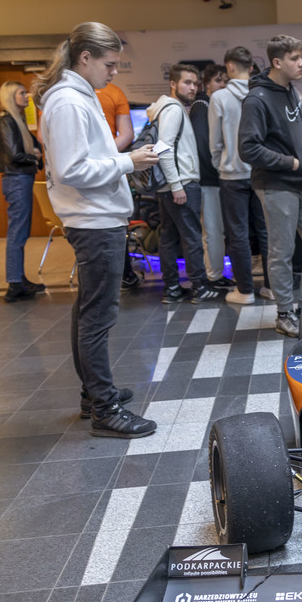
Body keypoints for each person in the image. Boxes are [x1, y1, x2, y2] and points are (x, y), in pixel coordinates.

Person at [34, 22, 158, 437]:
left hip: (96, 217)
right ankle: (104, 409)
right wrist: (129, 162)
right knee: (97, 317)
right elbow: (73, 170)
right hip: (93, 220)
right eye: (110, 64)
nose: (115, 72)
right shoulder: (69, 101)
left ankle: (95, 394)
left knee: (89, 311)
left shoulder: (77, 96)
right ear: (84, 58)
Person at [239, 34, 302, 338]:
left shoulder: (291, 90)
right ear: (277, 62)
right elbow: (248, 149)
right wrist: (290, 163)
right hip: (277, 184)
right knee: (282, 251)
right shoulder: (257, 99)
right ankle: (284, 313)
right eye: (295, 58)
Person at [150, 63, 220, 304]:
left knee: (169, 237)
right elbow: (164, 149)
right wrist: (177, 185)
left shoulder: (166, 108)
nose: (193, 88)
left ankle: (171, 289)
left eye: (195, 83)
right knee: (191, 237)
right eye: (187, 83)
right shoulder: (173, 109)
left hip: (171, 184)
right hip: (181, 183)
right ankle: (199, 287)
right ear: (173, 84)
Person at [209, 45, 272, 305]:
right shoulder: (263, 93)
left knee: (237, 234)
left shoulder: (219, 97)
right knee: (267, 231)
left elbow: (215, 142)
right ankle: (272, 287)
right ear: (252, 67)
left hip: (232, 175)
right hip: (262, 172)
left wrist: (222, 164)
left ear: (230, 66)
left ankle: (245, 291)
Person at [0, 81, 45, 301]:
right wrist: (33, 157)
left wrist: (36, 156)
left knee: (21, 232)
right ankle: (15, 283)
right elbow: (14, 154)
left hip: (22, 179)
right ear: (10, 97)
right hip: (17, 179)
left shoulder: (17, 120)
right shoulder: (6, 121)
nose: (26, 96)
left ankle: (18, 279)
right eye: (21, 93)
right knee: (17, 233)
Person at [190, 64, 233, 291]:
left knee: (216, 231)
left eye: (225, 81)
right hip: (208, 179)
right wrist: (218, 171)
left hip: (213, 178)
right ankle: (213, 276)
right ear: (206, 84)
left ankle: (215, 274)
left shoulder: (211, 105)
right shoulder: (202, 106)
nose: (223, 85)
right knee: (213, 231)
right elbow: (203, 146)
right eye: (218, 80)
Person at [96, 80, 142, 290]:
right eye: (110, 65)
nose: (113, 71)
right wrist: (105, 157)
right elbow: (127, 135)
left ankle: (112, 278)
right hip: (110, 166)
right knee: (115, 222)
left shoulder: (60, 93)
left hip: (81, 176)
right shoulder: (114, 92)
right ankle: (124, 275)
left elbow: (43, 136)